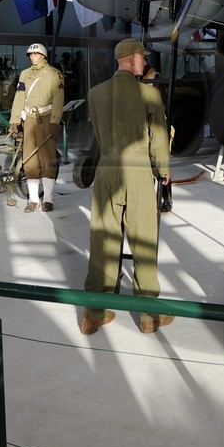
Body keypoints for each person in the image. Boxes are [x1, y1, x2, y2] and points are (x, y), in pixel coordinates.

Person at [82, 38, 171, 335]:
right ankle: (149, 314)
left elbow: (97, 131)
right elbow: (158, 137)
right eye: (142, 58)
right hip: (137, 172)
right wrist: (164, 170)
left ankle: (95, 311)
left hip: (106, 171)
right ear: (132, 58)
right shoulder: (149, 94)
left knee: (103, 240)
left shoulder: (95, 93)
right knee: (143, 240)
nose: (144, 63)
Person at [9, 42, 64, 213]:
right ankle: (33, 199)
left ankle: (47, 199)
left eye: (35, 54)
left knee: (48, 159)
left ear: (43, 55)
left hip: (47, 119)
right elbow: (19, 97)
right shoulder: (25, 74)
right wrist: (14, 119)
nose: (32, 57)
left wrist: (55, 122)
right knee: (30, 160)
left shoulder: (55, 75)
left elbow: (58, 100)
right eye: (30, 55)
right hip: (29, 120)